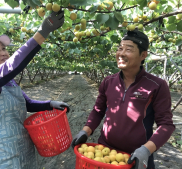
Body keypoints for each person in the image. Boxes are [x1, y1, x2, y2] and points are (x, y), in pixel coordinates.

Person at [0, 10, 70, 169]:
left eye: (4, 48)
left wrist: (49, 104)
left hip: (23, 147)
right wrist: (42, 32)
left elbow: (27, 103)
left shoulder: (9, 82)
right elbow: (12, 66)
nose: (4, 52)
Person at [71, 29, 175, 169]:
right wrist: (86, 131)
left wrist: (146, 150)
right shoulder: (108, 82)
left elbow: (166, 125)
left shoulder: (157, 85)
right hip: (105, 153)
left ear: (143, 55)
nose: (121, 53)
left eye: (129, 49)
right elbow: (98, 110)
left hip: (136, 156)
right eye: (120, 48)